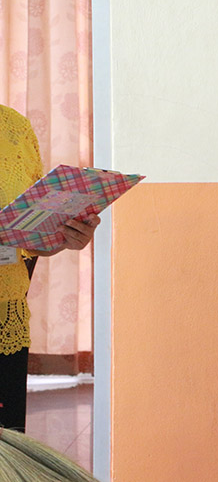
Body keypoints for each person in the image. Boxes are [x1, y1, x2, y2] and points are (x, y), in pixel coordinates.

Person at [0, 104, 99, 431]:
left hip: (6, 323)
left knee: (9, 447)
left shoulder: (15, 127)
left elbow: (27, 233)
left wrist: (64, 236)